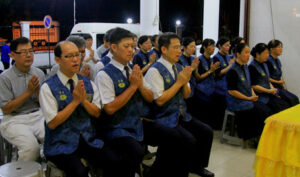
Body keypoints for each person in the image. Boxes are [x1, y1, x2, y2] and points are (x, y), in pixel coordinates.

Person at [95, 28, 188, 177]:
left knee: (172, 136)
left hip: (137, 121)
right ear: (113, 47)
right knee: (136, 151)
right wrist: (133, 87)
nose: (131, 50)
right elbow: (110, 108)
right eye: (126, 46)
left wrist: (139, 85)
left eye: (133, 46)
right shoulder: (104, 74)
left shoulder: (133, 69)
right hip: (117, 126)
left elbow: (150, 97)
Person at [40, 41, 129, 177]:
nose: (76, 59)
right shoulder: (48, 87)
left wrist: (83, 102)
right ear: (57, 59)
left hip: (88, 139)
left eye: (77, 55)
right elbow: (52, 123)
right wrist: (75, 102)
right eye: (69, 56)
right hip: (60, 143)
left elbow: (97, 113)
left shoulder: (88, 83)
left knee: (115, 161)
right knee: (79, 172)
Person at [145, 32, 214, 177]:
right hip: (164, 117)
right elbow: (160, 100)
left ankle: (197, 166)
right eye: (175, 47)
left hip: (181, 113)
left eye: (179, 47)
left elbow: (187, 95)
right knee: (188, 141)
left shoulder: (178, 66)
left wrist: (185, 81)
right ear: (164, 49)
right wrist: (179, 82)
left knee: (206, 131)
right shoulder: (154, 71)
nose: (179, 51)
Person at [0, 37, 45, 161]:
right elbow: (6, 109)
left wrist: (37, 93)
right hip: (15, 119)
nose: (28, 55)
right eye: (23, 52)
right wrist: (28, 92)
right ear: (12, 55)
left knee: (55, 139)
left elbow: (44, 104)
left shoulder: (39, 73)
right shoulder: (5, 78)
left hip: (37, 115)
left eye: (30, 51)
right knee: (31, 148)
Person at [226, 43, 272, 140]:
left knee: (266, 109)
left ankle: (263, 137)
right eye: (246, 53)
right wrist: (248, 98)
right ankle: (254, 137)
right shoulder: (232, 70)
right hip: (237, 101)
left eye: (248, 52)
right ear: (238, 54)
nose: (248, 55)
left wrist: (253, 95)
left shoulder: (246, 67)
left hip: (248, 98)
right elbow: (232, 91)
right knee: (259, 112)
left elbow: (249, 85)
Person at [249, 43, 290, 114]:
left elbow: (267, 80)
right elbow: (253, 86)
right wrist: (268, 90)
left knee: (285, 105)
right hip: (260, 96)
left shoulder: (265, 64)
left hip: (269, 93)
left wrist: (272, 89)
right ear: (258, 54)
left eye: (268, 53)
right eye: (265, 53)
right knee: (273, 111)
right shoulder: (252, 67)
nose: (267, 55)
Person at [193, 38, 222, 129]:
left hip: (211, 89)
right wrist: (210, 71)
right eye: (211, 46)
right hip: (202, 90)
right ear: (205, 47)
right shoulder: (199, 60)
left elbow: (212, 76)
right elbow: (198, 78)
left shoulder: (211, 59)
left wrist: (213, 71)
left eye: (214, 46)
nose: (213, 48)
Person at [266, 39, 299, 106]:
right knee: (291, 100)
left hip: (279, 86)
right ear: (271, 49)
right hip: (272, 87)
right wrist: (278, 82)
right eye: (278, 47)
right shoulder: (268, 60)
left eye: (281, 47)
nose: (281, 49)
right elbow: (266, 78)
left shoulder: (277, 60)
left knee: (295, 98)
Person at [177, 37, 199, 114]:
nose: (193, 49)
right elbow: (181, 76)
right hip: (184, 90)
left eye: (194, 46)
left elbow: (196, 75)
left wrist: (195, 69)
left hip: (193, 87)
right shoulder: (179, 59)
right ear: (184, 47)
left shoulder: (193, 58)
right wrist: (192, 68)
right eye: (191, 46)